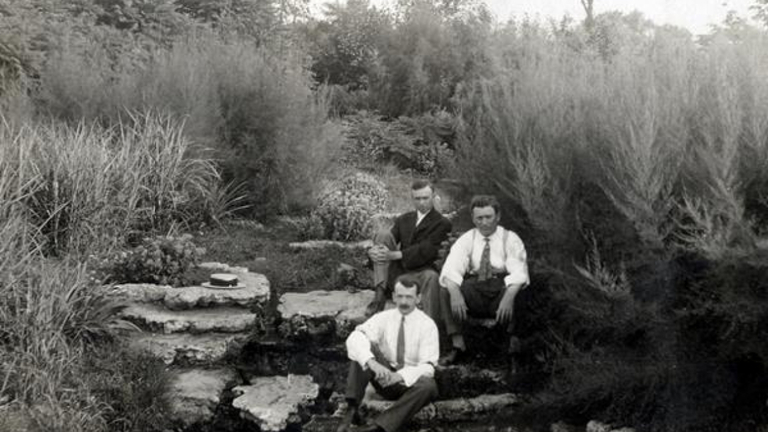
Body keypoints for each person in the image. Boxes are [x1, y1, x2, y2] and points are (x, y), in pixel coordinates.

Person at [337, 274, 440, 432]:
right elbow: (355, 337)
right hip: (383, 377)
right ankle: (351, 410)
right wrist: (373, 363)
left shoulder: (427, 325)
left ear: (418, 298)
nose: (404, 302)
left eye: (409, 297)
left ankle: (379, 427)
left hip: (409, 384)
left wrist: (399, 376)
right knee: (362, 348)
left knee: (429, 386)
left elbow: (428, 366)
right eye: (400, 296)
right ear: (393, 296)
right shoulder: (383, 317)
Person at [437, 195, 529, 366]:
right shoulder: (467, 239)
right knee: (445, 289)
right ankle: (458, 346)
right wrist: (455, 294)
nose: (484, 222)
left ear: (498, 216)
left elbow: (519, 272)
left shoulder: (510, 238)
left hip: (500, 294)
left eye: (488, 217)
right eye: (479, 218)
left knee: (519, 289)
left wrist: (508, 298)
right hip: (475, 292)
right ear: (473, 218)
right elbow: (451, 268)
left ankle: (513, 349)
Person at [367, 180, 452, 320]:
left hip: (422, 272)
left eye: (425, 198)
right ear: (412, 199)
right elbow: (387, 242)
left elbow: (427, 249)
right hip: (399, 271)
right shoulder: (404, 219)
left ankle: (429, 325)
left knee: (432, 277)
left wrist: (395, 255)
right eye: (417, 199)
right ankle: (379, 295)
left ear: (433, 197)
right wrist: (372, 252)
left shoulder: (443, 223)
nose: (422, 202)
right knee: (383, 234)